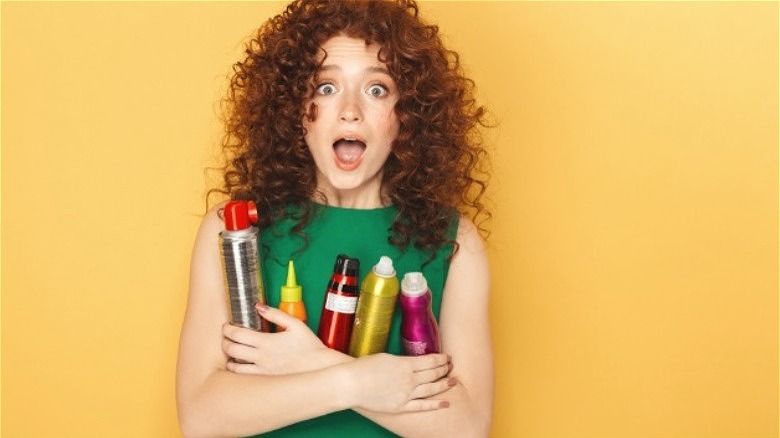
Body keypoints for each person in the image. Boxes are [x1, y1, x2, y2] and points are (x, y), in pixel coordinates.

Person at [176, 1, 492, 437]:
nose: (350, 111)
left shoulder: (455, 242)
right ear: (294, 112)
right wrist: (356, 381)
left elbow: (467, 428)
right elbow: (202, 419)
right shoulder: (233, 231)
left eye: (377, 89)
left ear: (407, 115)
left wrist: (309, 364)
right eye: (325, 87)